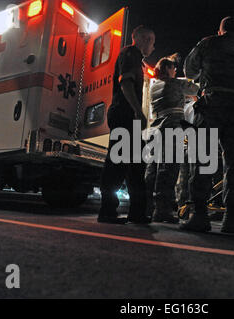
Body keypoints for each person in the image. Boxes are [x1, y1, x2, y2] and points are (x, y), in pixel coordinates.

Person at [181, 16, 234, 233]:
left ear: (221, 30)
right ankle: (231, 219)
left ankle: (200, 216)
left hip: (212, 105)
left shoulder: (208, 43)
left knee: (204, 158)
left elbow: (189, 71)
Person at [98, 26, 155, 224]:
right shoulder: (130, 53)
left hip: (128, 116)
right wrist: (138, 111)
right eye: (152, 41)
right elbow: (125, 83)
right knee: (117, 165)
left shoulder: (137, 60)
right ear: (144, 38)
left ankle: (137, 212)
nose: (153, 47)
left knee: (136, 167)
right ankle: (107, 211)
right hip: (125, 115)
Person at [144, 55, 199, 223]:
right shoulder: (175, 83)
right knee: (168, 170)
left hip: (155, 128)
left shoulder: (154, 86)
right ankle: (162, 210)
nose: (175, 71)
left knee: (152, 171)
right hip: (171, 128)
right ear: (168, 69)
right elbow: (195, 89)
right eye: (173, 69)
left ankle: (146, 207)